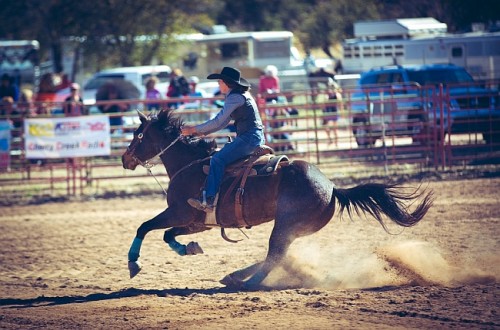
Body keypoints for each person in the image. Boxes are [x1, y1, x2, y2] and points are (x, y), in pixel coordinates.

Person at [181, 67, 265, 212]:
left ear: (227, 83)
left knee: (217, 160)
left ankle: (209, 199)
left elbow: (219, 121)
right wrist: (203, 133)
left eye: (219, 81)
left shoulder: (234, 98)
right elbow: (224, 122)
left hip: (248, 138)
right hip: (253, 137)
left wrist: (194, 130)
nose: (218, 84)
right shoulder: (242, 95)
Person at [323, 78, 343, 145]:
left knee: (334, 129)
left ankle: (336, 142)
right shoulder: (327, 95)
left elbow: (340, 103)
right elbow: (324, 104)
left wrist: (341, 110)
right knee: (327, 128)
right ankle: (330, 140)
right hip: (328, 112)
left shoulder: (336, 95)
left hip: (334, 112)